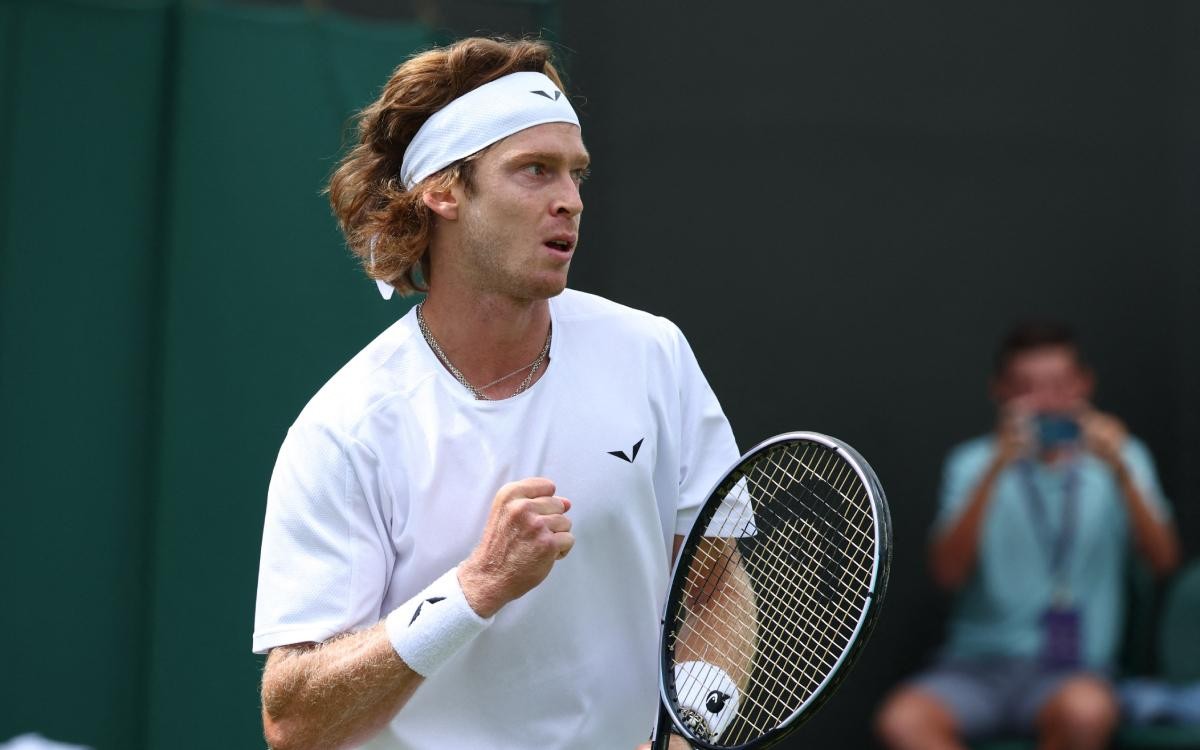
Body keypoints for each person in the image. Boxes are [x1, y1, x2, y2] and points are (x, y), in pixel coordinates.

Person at [253, 37, 748, 750]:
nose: (570, 201)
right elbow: (294, 718)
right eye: (535, 170)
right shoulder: (347, 428)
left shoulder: (653, 355)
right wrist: (474, 588)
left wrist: (689, 734)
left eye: (576, 173)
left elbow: (715, 587)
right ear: (444, 191)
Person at [875, 321, 1181, 750]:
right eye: (1027, 388)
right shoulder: (971, 464)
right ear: (999, 391)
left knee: (1086, 712)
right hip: (977, 668)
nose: (1047, 402)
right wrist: (995, 467)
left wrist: (1121, 472)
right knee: (904, 721)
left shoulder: (1122, 458)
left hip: (1075, 671)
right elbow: (946, 573)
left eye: (1060, 385)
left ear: (1084, 385)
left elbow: (1164, 561)